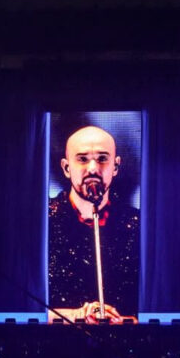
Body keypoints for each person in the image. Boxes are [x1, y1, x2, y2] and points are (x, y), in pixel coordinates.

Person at [48, 125, 139, 323]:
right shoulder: (43, 224)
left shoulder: (139, 226)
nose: (92, 168)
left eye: (102, 159)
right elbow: (21, 306)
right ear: (66, 167)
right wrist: (78, 315)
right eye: (82, 159)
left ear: (115, 167)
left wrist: (124, 320)